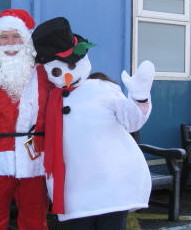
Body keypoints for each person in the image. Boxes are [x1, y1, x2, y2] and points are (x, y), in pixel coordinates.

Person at [32, 17, 155, 230]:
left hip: (110, 186)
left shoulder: (102, 88)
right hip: (74, 190)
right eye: (57, 71)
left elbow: (132, 121)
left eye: (71, 65)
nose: (68, 74)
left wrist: (140, 96)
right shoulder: (48, 99)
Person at [0, 9, 51, 230]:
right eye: (3, 37)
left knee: (35, 217)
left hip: (34, 155)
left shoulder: (44, 72)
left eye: (16, 36)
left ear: (26, 39)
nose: (10, 43)